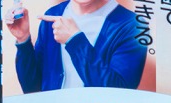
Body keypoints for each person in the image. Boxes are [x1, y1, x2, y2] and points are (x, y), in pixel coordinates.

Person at [8, 0, 147, 93]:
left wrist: (75, 41)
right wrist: (23, 39)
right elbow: (33, 89)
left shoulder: (134, 26)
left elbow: (119, 95)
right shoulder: (53, 14)